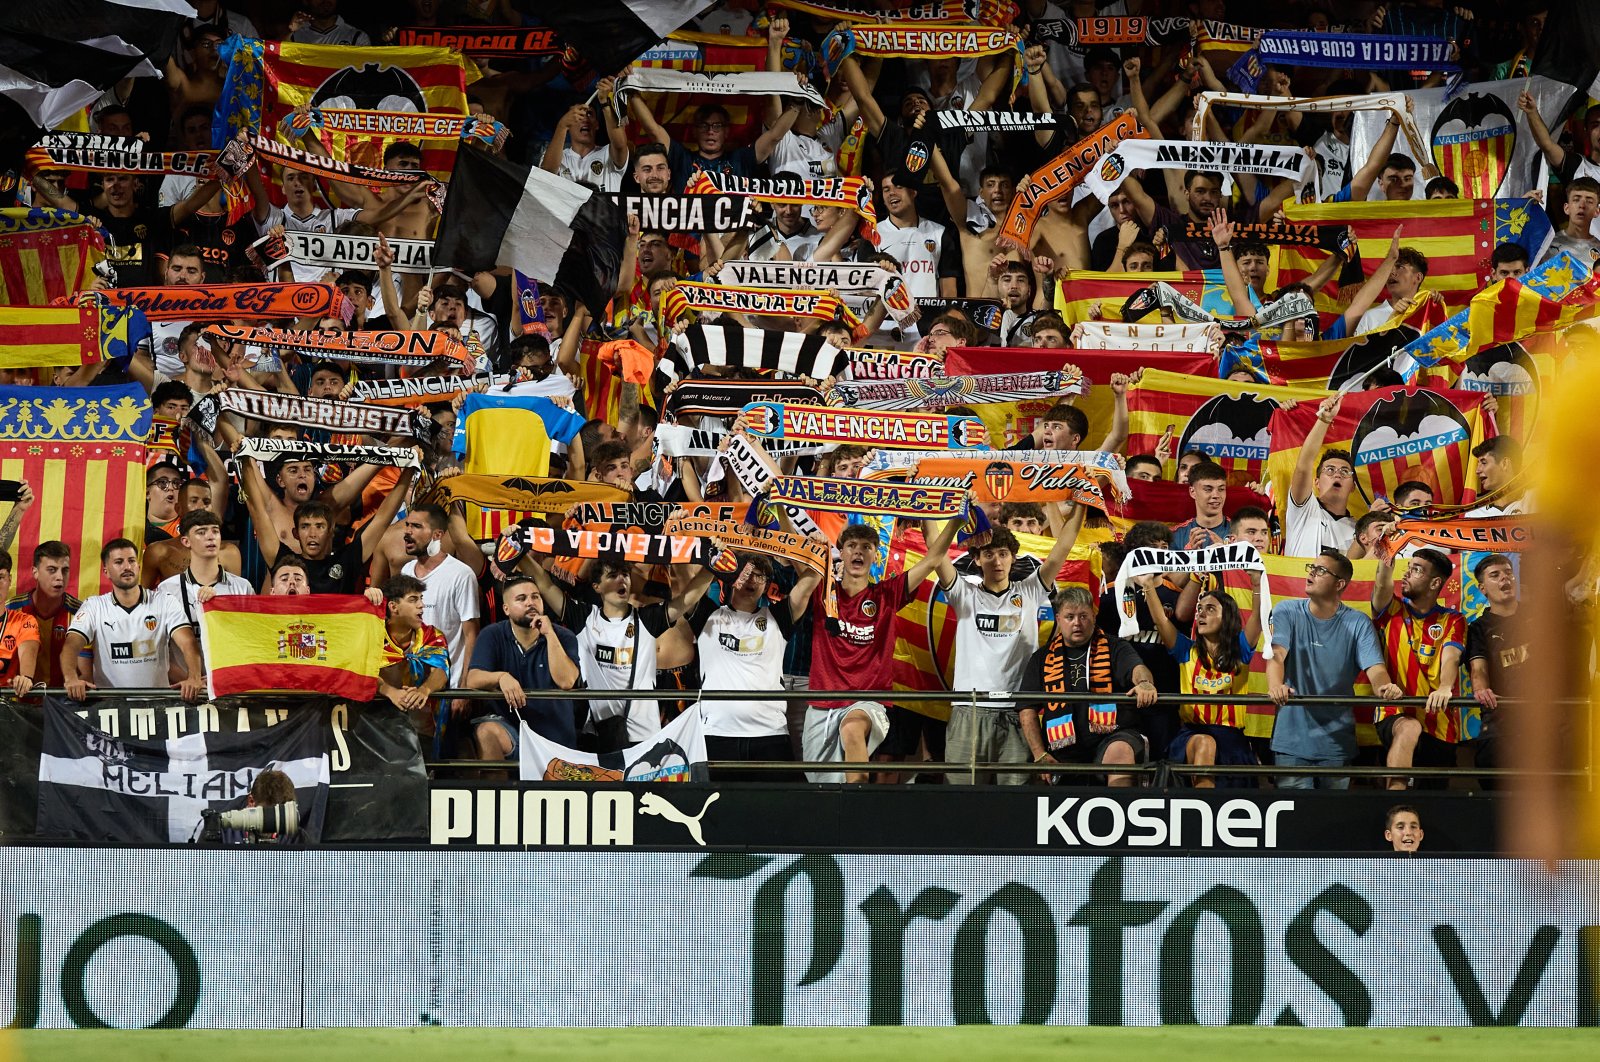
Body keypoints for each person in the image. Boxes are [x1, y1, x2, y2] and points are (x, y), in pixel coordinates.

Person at [803, 518, 959, 784]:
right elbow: (794, 556)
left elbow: (932, 560)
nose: (859, 551)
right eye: (852, 545)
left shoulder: (888, 594)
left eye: (867, 546)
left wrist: (956, 523)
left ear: (876, 555)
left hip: (868, 702)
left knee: (853, 729)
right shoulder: (823, 591)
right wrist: (780, 505)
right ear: (842, 552)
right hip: (822, 705)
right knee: (822, 784)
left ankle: (860, 801)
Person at [936, 507, 1083, 785]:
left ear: (1014, 557)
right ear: (977, 559)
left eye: (1003, 553)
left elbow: (1065, 543)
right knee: (960, 801)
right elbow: (935, 551)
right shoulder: (963, 594)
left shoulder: (1030, 591)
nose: (997, 561)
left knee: (1014, 805)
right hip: (970, 709)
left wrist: (1083, 500)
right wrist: (935, 505)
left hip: (1018, 713)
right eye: (988, 554)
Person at [527, 557, 712, 749]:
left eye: (625, 575)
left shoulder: (647, 619)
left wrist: (714, 566)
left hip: (644, 735)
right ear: (597, 587)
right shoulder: (584, 618)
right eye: (612, 576)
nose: (621, 580)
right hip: (599, 732)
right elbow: (546, 585)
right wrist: (519, 551)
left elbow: (687, 599)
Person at [1267, 548, 1404, 788]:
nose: (1311, 574)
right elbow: (1276, 654)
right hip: (1291, 740)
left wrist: (1384, 688)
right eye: (1312, 568)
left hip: (1337, 743)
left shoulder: (1358, 622)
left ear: (1340, 584)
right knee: (1293, 819)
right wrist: (1275, 686)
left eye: (1321, 570)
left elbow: (1376, 668)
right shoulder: (1285, 611)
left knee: (1333, 819)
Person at [685, 552, 821, 781]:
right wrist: (715, 560)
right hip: (716, 735)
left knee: (781, 812)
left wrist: (808, 545)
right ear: (732, 577)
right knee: (715, 812)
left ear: (767, 586)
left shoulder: (778, 618)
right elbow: (684, 584)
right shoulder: (709, 614)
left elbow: (812, 577)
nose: (752, 580)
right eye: (746, 573)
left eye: (760, 577)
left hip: (771, 736)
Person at [1020, 587, 1159, 787]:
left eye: (1083, 616)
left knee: (1119, 751)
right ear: (1058, 619)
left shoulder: (1115, 647)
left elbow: (1138, 669)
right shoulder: (1041, 658)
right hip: (1062, 749)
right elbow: (1027, 709)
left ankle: (1119, 813)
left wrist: (1145, 683)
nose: (1077, 623)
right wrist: (1039, 754)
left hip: (1112, 737)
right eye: (1070, 617)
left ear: (1093, 617)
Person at [1147, 577, 1265, 789]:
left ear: (1227, 617)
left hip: (1232, 741)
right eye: (1199, 608)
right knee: (1204, 743)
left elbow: (1258, 615)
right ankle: (1203, 809)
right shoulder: (1186, 650)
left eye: (1210, 609)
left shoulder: (1241, 649)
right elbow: (1161, 621)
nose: (1201, 613)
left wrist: (1256, 584)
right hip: (1192, 735)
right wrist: (1147, 585)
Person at [62, 540, 204, 701]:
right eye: (118, 562)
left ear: (138, 566)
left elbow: (188, 643)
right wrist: (71, 678)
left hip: (158, 707)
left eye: (131, 561)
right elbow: (71, 646)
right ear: (106, 571)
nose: (127, 567)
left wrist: (194, 677)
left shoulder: (165, 601)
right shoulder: (93, 606)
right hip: (111, 709)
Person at [1371, 549, 1466, 790]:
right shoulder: (1391, 608)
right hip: (1394, 711)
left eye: (1416, 570)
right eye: (1408, 567)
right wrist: (1386, 553)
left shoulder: (1452, 619)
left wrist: (1445, 687)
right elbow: (1382, 586)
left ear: (1435, 582)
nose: (1406, 574)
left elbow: (1451, 657)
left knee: (1433, 800)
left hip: (1440, 721)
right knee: (1409, 727)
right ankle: (1396, 806)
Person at [464, 576, 581, 761]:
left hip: (556, 742)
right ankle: (497, 790)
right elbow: (472, 679)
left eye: (536, 597)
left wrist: (549, 634)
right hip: (513, 734)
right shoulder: (492, 634)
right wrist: (501, 677)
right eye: (521, 599)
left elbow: (566, 681)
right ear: (506, 609)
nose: (530, 603)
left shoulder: (563, 636)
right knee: (486, 731)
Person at [156, 508, 253, 672]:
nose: (210, 536)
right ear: (186, 541)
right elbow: (158, 648)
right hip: (185, 688)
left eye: (215, 531)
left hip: (228, 685)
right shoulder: (167, 589)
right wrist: (190, 681)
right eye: (201, 532)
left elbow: (250, 641)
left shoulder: (242, 587)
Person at [397, 505, 480, 686]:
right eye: (407, 525)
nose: (407, 532)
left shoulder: (461, 574)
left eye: (417, 527)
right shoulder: (406, 571)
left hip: (450, 687)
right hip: (412, 687)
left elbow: (471, 635)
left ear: (437, 535)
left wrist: (465, 688)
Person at [1465, 553, 1528, 777]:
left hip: (1544, 712)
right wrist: (1481, 689)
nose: (1505, 578)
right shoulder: (1477, 629)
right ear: (1482, 589)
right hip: (1502, 716)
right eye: (1495, 575)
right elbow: (1478, 669)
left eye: (1509, 573)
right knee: (1490, 761)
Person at [377, 574, 450, 742]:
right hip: (378, 729)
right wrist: (389, 691)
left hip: (423, 731)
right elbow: (360, 672)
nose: (421, 605)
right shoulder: (373, 636)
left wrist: (424, 690)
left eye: (421, 599)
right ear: (394, 607)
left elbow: (441, 670)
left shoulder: (432, 636)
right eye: (413, 600)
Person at [1283, 395, 1357, 557]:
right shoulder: (1303, 510)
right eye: (1330, 470)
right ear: (1316, 482)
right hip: (1296, 583)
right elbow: (1303, 466)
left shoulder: (1360, 530)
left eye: (1345, 472)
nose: (1337, 474)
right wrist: (1324, 420)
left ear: (1352, 486)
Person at [0, 548, 40, 696]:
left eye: (0, 577)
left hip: (6, 707)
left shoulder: (24, 621)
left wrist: (26, 677)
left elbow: (29, 649)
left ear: (9, 580)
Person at [1168, 462, 1229, 548]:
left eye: (1221, 489)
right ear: (1192, 492)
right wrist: (1190, 555)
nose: (1216, 495)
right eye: (1208, 489)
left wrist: (1228, 553)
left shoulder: (1240, 532)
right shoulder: (1173, 536)